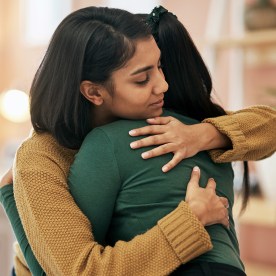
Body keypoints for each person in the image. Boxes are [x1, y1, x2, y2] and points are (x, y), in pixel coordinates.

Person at [0, 5, 275, 276]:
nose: (163, 85)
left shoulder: (159, 123)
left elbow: (270, 125)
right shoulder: (40, 157)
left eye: (159, 66)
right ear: (94, 92)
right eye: (143, 79)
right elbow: (78, 270)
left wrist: (201, 134)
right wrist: (192, 219)